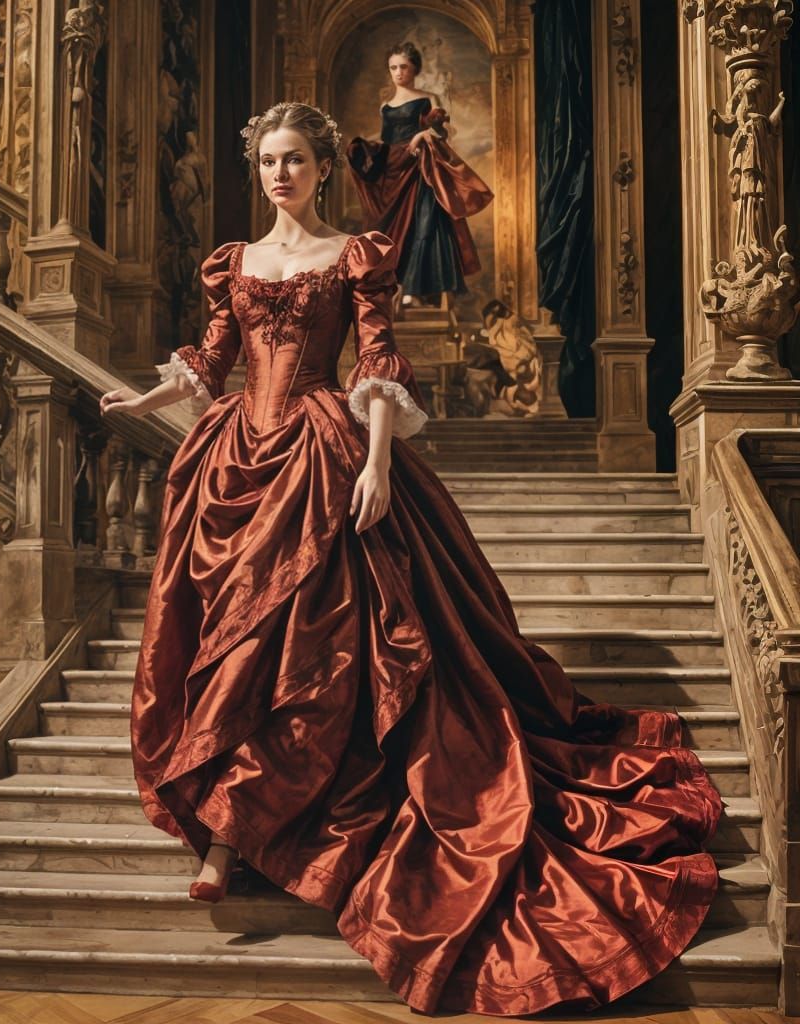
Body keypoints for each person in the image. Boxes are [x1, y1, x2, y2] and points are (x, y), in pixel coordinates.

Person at [99, 101, 722, 1017]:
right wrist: (146, 401)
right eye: (269, 162)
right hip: (234, 457)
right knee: (231, 644)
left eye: (296, 161)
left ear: (319, 169)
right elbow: (213, 358)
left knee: (313, 650)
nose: (280, 175)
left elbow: (376, 362)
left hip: (325, 448)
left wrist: (379, 458)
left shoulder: (354, 254)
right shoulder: (234, 262)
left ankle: (241, 833)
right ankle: (227, 834)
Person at [346, 42, 493, 308]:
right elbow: (387, 140)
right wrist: (364, 146)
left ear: (414, 69)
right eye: (393, 67)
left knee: (424, 225)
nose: (398, 72)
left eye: (403, 66)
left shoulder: (428, 99)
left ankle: (416, 288)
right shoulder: (385, 106)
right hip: (394, 170)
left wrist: (421, 135)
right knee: (392, 231)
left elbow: (443, 131)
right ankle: (399, 286)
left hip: (421, 169)